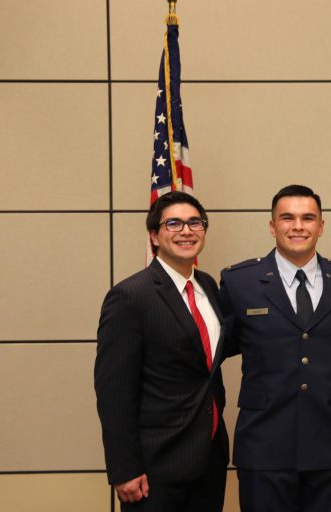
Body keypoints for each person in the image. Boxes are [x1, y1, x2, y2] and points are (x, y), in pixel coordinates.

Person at [218, 184, 331, 512]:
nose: (298, 226)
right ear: (272, 226)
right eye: (287, 218)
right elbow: (213, 352)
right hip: (264, 446)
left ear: (321, 226)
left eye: (308, 218)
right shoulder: (239, 282)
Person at [94, 191, 229, 511]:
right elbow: (114, 391)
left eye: (195, 222)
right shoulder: (130, 296)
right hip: (155, 467)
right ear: (154, 235)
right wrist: (125, 468)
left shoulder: (209, 286)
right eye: (174, 223)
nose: (186, 231)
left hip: (210, 459)